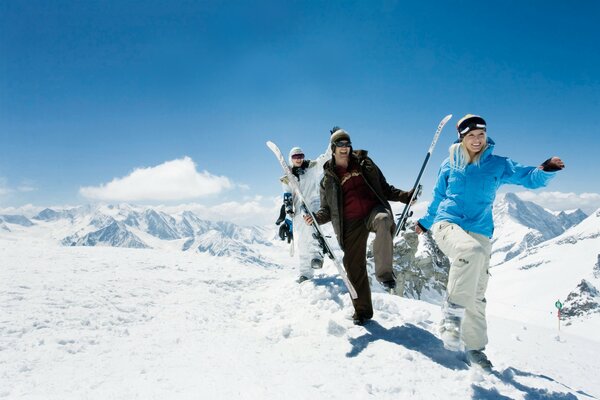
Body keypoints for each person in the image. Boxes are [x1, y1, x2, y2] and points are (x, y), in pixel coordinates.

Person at [416, 114, 565, 371]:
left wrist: (545, 170)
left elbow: (528, 176)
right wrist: (426, 222)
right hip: (447, 223)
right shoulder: (449, 163)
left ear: (486, 136)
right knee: (469, 252)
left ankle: (474, 348)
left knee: (476, 294)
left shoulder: (498, 164)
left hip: (481, 231)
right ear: (462, 138)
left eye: (480, 135)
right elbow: (439, 196)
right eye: (471, 135)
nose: (476, 140)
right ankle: (451, 318)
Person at [304, 127, 413, 325]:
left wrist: (406, 196)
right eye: (340, 144)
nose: (345, 148)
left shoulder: (365, 163)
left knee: (384, 220)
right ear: (333, 148)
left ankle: (384, 274)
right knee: (353, 267)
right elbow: (327, 210)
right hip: (351, 222)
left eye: (347, 144)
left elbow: (385, 188)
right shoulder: (327, 180)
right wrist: (316, 218)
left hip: (373, 210)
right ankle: (362, 311)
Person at [279, 146, 329, 283]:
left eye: (300, 156)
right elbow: (287, 194)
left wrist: (333, 142)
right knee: (302, 241)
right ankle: (305, 273)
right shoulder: (287, 177)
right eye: (295, 157)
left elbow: (325, 158)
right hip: (298, 208)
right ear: (291, 159)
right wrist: (288, 209)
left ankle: (316, 255)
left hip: (313, 203)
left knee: (311, 226)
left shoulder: (312, 167)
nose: (298, 159)